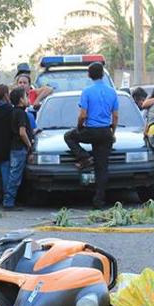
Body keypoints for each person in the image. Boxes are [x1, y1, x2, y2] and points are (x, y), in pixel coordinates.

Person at [64, 62, 119, 209]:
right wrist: (112, 132)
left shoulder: (87, 92)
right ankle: (99, 201)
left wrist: (79, 127)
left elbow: (82, 115)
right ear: (102, 74)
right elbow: (115, 117)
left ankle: (85, 158)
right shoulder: (112, 92)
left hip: (91, 130)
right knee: (102, 167)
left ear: (89, 75)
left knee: (69, 136)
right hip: (105, 132)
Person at [4, 87, 34, 210]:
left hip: (13, 147)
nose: (28, 99)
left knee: (14, 174)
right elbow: (22, 132)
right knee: (15, 176)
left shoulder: (12, 112)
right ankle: (9, 202)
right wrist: (29, 144)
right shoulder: (21, 113)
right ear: (21, 100)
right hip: (19, 148)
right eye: (26, 96)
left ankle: (12, 200)